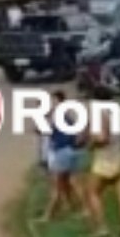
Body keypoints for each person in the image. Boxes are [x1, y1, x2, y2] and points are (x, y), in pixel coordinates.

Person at [87, 107, 120, 237]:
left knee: (93, 192)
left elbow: (103, 138)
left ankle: (102, 228)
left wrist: (91, 144)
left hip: (106, 159)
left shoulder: (99, 113)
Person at [39, 91, 83, 222]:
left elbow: (45, 131)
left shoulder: (56, 118)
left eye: (53, 101)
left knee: (56, 187)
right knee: (72, 182)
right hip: (71, 151)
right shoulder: (69, 117)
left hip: (60, 152)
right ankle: (83, 208)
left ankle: (47, 215)